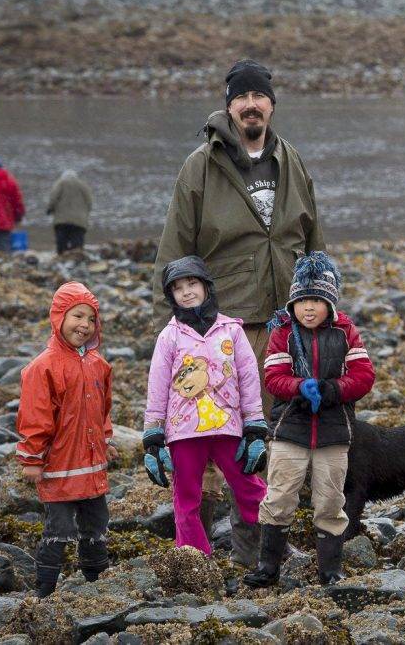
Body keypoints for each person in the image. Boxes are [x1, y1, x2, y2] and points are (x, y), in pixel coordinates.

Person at [152, 59, 325, 566]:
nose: (252, 104)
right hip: (221, 326)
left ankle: (260, 543)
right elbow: (173, 252)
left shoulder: (291, 159)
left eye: (260, 96)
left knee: (272, 434)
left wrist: (324, 308)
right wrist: (179, 325)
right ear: (229, 104)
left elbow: (313, 239)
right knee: (206, 430)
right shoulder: (200, 166)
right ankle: (195, 548)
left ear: (272, 104)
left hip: (286, 323)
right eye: (242, 96)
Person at [243, 252, 375, 588]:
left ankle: (330, 569)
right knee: (280, 495)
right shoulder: (282, 333)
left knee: (330, 500)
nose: (309, 308)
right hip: (290, 429)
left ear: (330, 303)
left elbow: (363, 376)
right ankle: (267, 566)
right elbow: (273, 376)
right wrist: (300, 387)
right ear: (293, 304)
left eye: (317, 300)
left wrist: (332, 390)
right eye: (303, 301)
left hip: (333, 432)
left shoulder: (346, 332)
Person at [142, 255, 269, 554]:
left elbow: (249, 378)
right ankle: (195, 557)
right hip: (183, 433)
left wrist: (255, 425)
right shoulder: (169, 336)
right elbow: (157, 384)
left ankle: (272, 543)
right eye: (178, 288)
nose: (186, 291)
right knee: (186, 497)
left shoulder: (232, 330)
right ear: (170, 296)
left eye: (192, 283)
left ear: (206, 286)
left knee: (249, 487)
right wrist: (152, 433)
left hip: (228, 428)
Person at [15, 282, 115, 598]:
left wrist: (107, 440)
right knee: (59, 531)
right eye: (77, 317)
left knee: (97, 524)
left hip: (91, 463)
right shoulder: (42, 367)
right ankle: (44, 589)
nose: (84, 325)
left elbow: (104, 409)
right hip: (58, 465)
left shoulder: (99, 364)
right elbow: (35, 416)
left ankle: (96, 582)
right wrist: (31, 458)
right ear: (59, 317)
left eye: (91, 319)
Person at [47, 170, 93, 254]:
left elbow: (53, 198)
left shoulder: (61, 183)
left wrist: (50, 209)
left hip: (62, 220)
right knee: (77, 245)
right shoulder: (83, 185)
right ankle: (75, 261)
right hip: (79, 221)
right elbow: (89, 202)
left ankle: (62, 259)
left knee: (62, 244)